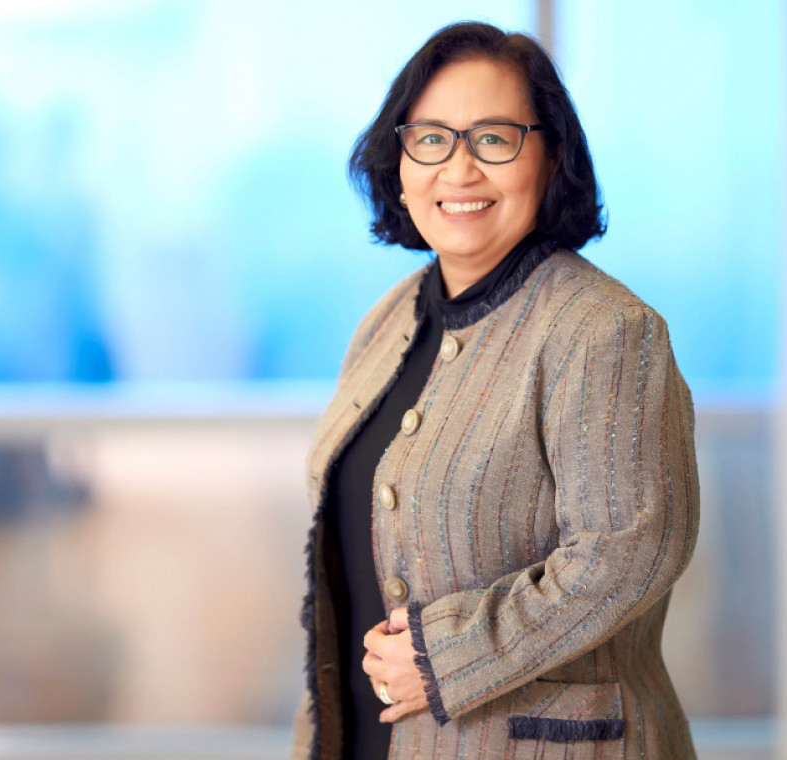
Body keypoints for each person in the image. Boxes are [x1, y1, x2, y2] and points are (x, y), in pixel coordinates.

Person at [289, 21, 700, 760]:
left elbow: (629, 551)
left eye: (494, 138)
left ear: (551, 157)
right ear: (399, 160)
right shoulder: (387, 319)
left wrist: (447, 658)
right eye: (431, 138)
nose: (460, 168)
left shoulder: (605, 330)